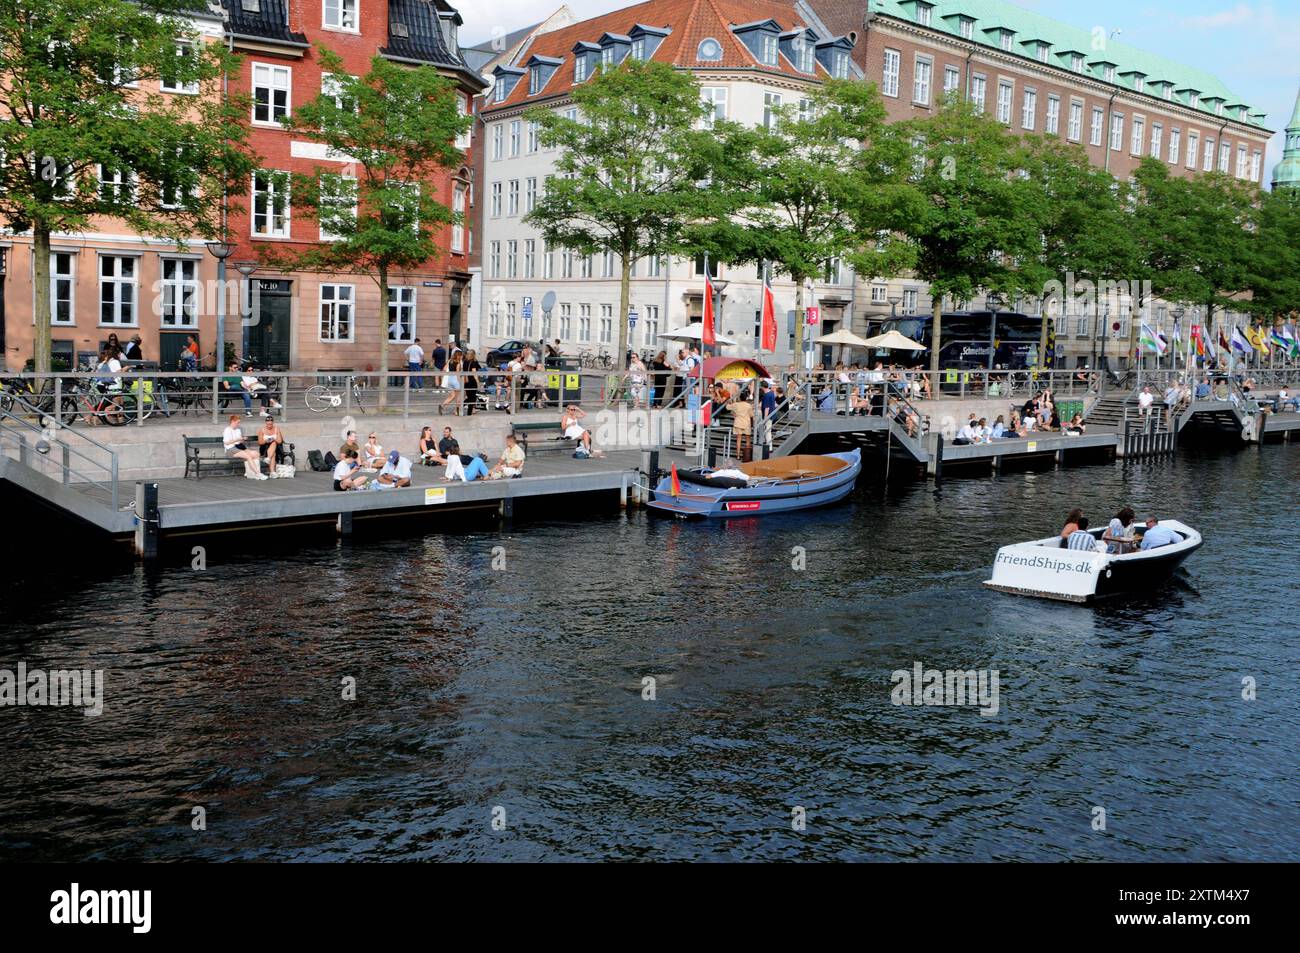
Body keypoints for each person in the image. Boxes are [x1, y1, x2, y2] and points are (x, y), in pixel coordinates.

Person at [223, 414, 266, 480]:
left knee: (256, 454)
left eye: (239, 422)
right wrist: (238, 439)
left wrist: (242, 439)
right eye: (237, 422)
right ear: (232, 421)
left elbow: (239, 442)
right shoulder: (227, 430)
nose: (238, 424)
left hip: (239, 447)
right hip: (230, 449)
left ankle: (249, 472)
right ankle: (258, 473)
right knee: (248, 456)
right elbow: (226, 442)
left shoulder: (238, 430)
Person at [730, 388, 754, 462]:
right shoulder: (749, 405)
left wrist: (731, 401)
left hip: (738, 423)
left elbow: (728, 407)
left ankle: (738, 456)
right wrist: (752, 423)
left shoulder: (736, 404)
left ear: (740, 398)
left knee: (738, 440)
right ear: (746, 398)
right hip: (747, 423)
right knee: (747, 440)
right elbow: (751, 416)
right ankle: (747, 456)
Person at [759, 380, 777, 453]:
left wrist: (765, 419)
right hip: (772, 414)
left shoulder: (766, 395)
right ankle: (767, 445)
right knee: (767, 431)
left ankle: (769, 447)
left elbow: (767, 408)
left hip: (768, 416)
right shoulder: (771, 393)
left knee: (767, 432)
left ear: (762, 387)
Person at [462, 349, 481, 415]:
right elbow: (474, 373)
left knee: (470, 397)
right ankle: (463, 407)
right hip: (472, 381)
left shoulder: (465, 361)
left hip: (466, 381)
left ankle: (463, 408)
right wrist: (478, 382)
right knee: (472, 398)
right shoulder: (473, 362)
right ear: (473, 355)